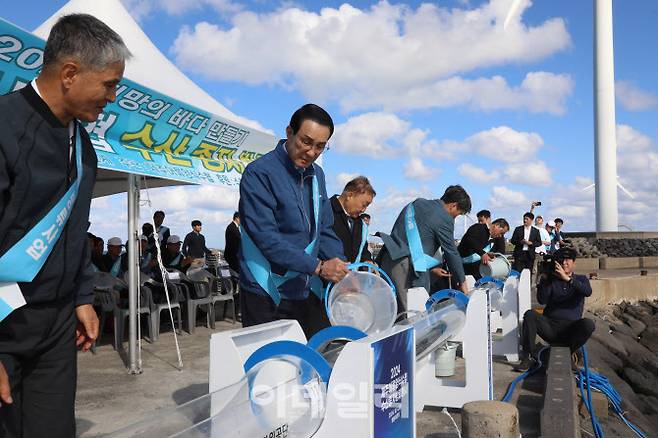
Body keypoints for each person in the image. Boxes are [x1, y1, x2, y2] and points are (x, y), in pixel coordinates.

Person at [0, 14, 129, 437]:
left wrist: (81, 296)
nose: (112, 96)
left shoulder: (84, 147)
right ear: (70, 73)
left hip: (56, 329)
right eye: (109, 84)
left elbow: (75, 230)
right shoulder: (5, 125)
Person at [238, 103, 348, 336]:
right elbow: (267, 238)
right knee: (268, 367)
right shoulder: (259, 173)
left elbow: (325, 229)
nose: (311, 153)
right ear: (289, 132)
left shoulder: (317, 175)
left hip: (303, 288)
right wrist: (318, 267)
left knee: (306, 362)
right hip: (266, 291)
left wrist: (344, 268)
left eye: (320, 147)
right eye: (306, 142)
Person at [378, 185, 472, 311]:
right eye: (458, 214)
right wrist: (463, 284)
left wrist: (432, 268)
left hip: (388, 258)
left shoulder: (416, 204)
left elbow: (415, 238)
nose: (455, 218)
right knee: (412, 314)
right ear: (453, 205)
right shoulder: (444, 217)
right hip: (406, 269)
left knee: (390, 310)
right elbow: (451, 252)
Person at [307, 176, 376, 336]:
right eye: (364, 204)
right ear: (350, 194)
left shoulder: (359, 222)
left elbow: (362, 247)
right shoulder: (326, 210)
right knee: (319, 333)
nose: (364, 209)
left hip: (347, 287)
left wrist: (367, 259)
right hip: (320, 286)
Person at [515, 247, 594, 371]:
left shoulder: (581, 279)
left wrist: (568, 279)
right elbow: (542, 300)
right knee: (530, 314)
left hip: (570, 329)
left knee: (588, 324)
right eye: (561, 260)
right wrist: (544, 281)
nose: (564, 263)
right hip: (550, 327)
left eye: (568, 260)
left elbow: (587, 291)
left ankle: (569, 354)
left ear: (574, 262)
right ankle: (527, 357)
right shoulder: (551, 280)